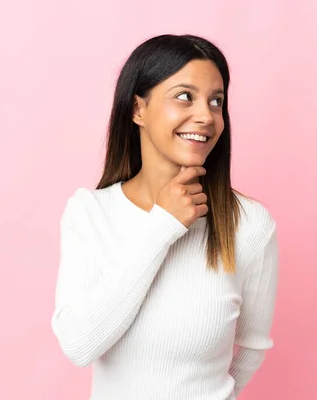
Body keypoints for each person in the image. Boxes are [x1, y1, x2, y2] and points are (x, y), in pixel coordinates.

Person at [51, 34, 279, 400]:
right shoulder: (90, 214)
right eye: (185, 96)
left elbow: (250, 349)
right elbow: (79, 345)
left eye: (216, 101)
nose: (206, 116)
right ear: (138, 109)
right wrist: (162, 226)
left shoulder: (249, 225)